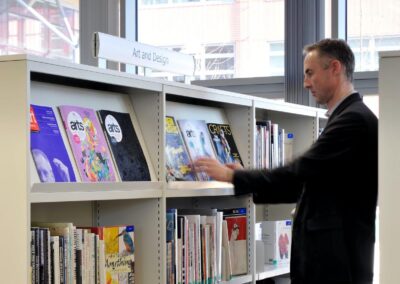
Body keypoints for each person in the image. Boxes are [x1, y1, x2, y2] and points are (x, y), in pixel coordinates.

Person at [194, 38, 378, 284]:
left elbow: (299, 172)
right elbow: (300, 184)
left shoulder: (353, 120)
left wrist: (232, 176)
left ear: (335, 68)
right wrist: (246, 176)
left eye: (310, 73)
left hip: (336, 267)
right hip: (333, 264)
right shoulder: (348, 117)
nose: (305, 83)